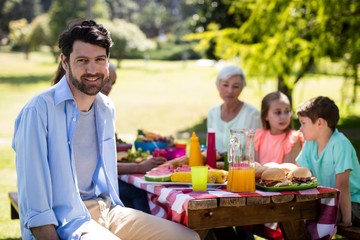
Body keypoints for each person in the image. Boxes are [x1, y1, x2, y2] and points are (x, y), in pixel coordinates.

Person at [12, 19, 200, 240]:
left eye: (99, 60)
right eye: (82, 60)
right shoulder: (39, 110)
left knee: (187, 237)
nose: (92, 69)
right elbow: (34, 200)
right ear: (64, 62)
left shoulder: (106, 108)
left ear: (107, 61)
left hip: (107, 210)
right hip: (67, 221)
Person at [296, 96, 360, 227]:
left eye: (303, 123)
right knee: (295, 212)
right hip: (326, 201)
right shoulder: (310, 143)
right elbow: (300, 174)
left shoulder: (340, 144)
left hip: (353, 203)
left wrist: (347, 221)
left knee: (318, 214)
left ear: (320, 123)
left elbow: (342, 185)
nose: (300, 129)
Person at [207, 65, 262, 154]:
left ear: (242, 88)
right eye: (225, 85)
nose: (230, 90)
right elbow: (209, 148)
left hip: (242, 167)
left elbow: (255, 152)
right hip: (215, 167)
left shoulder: (253, 114)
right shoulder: (212, 113)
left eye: (235, 86)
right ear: (218, 85)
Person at [254, 91, 303, 165]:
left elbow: (286, 171)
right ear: (265, 116)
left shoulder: (294, 139)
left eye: (287, 111)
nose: (283, 117)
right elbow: (256, 167)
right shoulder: (259, 137)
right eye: (278, 112)